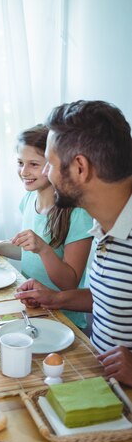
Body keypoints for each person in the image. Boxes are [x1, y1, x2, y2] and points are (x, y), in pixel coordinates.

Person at [15, 100, 132, 387]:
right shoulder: (105, 224)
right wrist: (56, 299)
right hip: (101, 382)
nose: (45, 174)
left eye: (50, 164)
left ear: (80, 167)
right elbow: (112, 299)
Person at [0, 125, 93, 328]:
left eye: (34, 164)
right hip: (31, 308)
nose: (24, 172)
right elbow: (29, 250)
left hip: (63, 320)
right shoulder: (29, 199)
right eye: (20, 163)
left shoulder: (78, 213)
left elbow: (69, 283)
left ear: (55, 164)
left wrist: (43, 249)